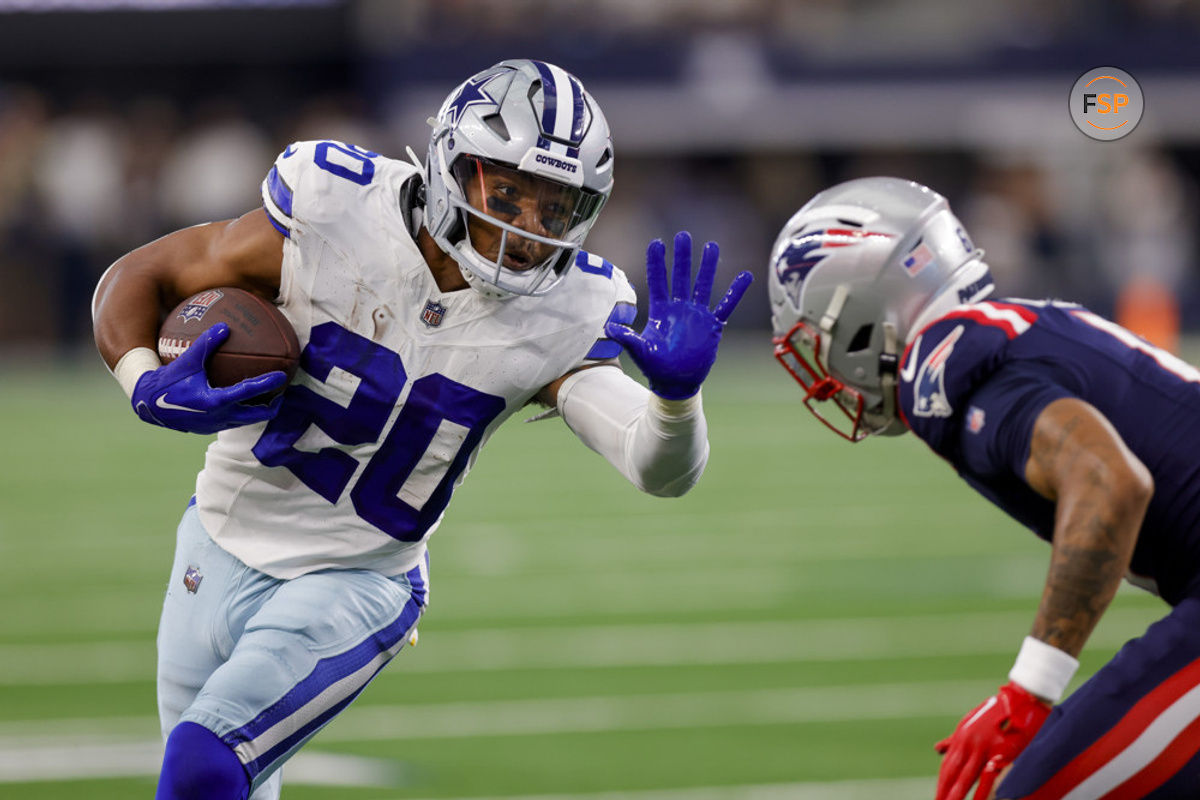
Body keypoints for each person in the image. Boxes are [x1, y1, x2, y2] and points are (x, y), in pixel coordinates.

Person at [91, 59, 752, 800]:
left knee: (201, 768)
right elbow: (139, 275)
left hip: (355, 580)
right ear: (451, 165)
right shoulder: (336, 207)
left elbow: (656, 466)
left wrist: (676, 402)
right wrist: (143, 380)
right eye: (506, 193)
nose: (526, 231)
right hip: (213, 537)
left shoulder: (569, 308)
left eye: (555, 209)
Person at [767, 176, 1200, 800]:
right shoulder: (1006, 328)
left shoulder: (946, 366)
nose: (823, 370)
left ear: (859, 313)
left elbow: (1109, 484)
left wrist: (1028, 692)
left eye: (819, 341)